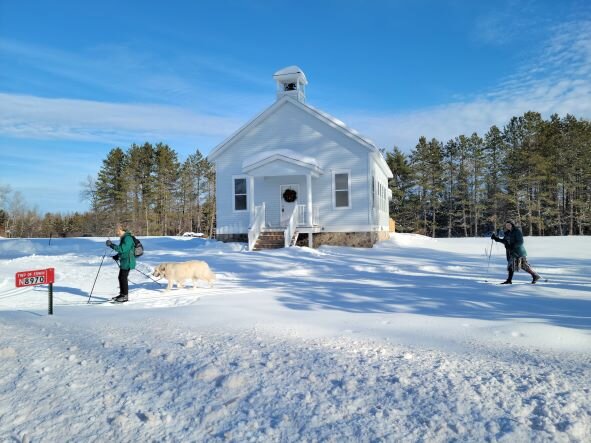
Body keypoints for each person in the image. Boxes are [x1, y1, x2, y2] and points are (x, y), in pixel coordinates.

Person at [491, 220, 541, 284]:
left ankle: (534, 275)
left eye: (509, 225)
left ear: (512, 225)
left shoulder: (517, 231)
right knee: (513, 266)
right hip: (511, 252)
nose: (508, 226)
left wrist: (513, 246)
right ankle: (510, 280)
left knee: (522, 265)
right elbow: (505, 241)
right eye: (506, 225)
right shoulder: (507, 233)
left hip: (518, 252)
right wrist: (496, 239)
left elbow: (520, 242)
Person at [106, 224, 136, 302]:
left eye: (118, 231)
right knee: (121, 277)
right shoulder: (124, 238)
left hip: (128, 261)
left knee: (123, 278)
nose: (117, 233)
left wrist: (111, 245)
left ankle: (125, 296)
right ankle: (122, 294)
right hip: (124, 261)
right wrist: (118, 256)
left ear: (122, 230)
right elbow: (124, 250)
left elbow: (123, 249)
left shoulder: (127, 238)